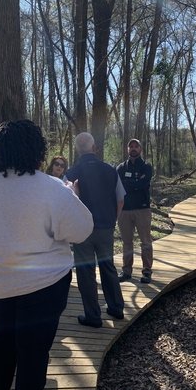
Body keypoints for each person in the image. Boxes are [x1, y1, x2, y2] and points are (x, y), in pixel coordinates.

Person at [0, 120, 93, 390]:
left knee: (2, 341)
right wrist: (72, 195)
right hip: (43, 283)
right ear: (37, 150)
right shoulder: (52, 187)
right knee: (33, 347)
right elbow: (80, 230)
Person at [66, 132, 125, 328]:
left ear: (78, 149)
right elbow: (120, 199)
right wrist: (112, 220)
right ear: (94, 148)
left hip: (82, 229)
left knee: (85, 271)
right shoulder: (110, 170)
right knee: (108, 267)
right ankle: (116, 307)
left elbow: (66, 202)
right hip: (105, 227)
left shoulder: (71, 173)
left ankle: (93, 315)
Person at [116, 138, 153, 284]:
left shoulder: (146, 166)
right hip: (124, 210)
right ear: (127, 149)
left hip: (142, 209)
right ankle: (126, 271)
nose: (133, 148)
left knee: (145, 241)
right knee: (127, 242)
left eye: (136, 146)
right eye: (130, 146)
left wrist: (129, 184)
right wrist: (135, 183)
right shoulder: (120, 168)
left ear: (140, 149)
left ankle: (147, 271)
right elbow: (118, 186)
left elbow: (143, 184)